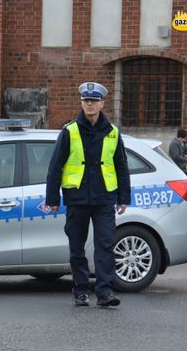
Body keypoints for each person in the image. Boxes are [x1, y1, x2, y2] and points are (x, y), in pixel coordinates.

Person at [46, 82, 131, 307]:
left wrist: (124, 197)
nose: (90, 104)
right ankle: (81, 290)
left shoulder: (112, 132)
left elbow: (121, 166)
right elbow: (55, 166)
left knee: (105, 245)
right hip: (77, 197)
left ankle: (105, 292)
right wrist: (52, 198)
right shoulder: (70, 131)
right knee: (77, 246)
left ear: (102, 103)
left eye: (94, 101)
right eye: (86, 101)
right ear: (81, 103)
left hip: (104, 197)